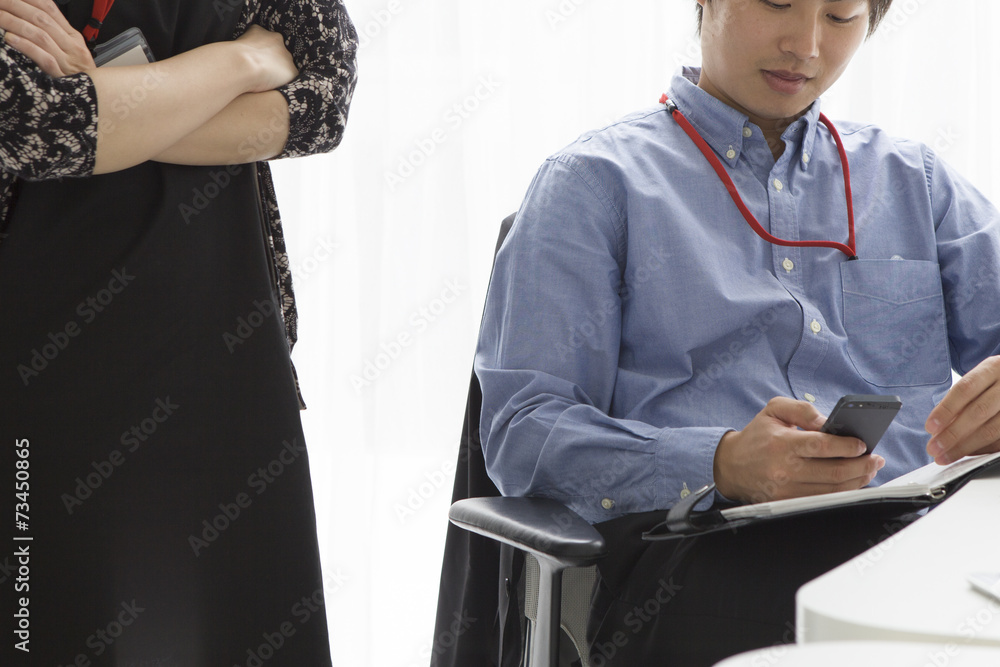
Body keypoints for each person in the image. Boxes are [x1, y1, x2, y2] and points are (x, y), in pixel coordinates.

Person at [473, 0, 1000, 662]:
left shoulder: (914, 181)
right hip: (710, 557)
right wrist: (720, 462)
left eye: (840, 16)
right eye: (778, 3)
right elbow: (525, 432)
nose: (806, 45)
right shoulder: (594, 184)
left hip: (922, 542)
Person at [0, 0, 356, 664]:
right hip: (46, 371)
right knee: (48, 622)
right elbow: (33, 123)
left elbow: (322, 102)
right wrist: (240, 60)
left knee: (246, 622)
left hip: (230, 356)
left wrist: (112, 98)